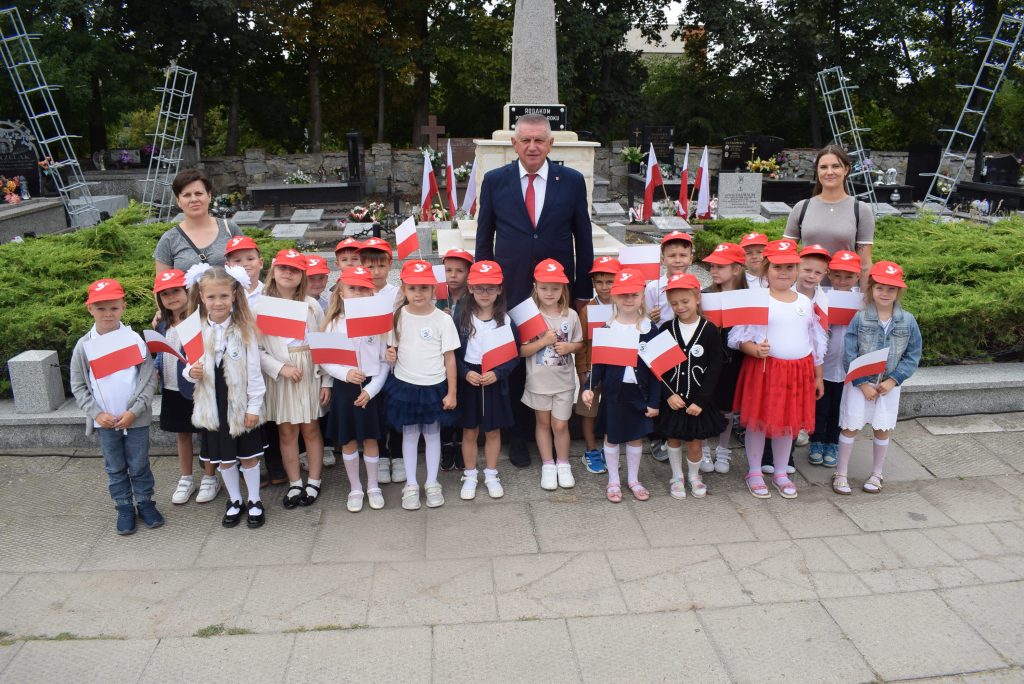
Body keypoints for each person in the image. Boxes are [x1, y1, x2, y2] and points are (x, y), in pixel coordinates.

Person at [476, 113, 594, 467]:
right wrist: (484, 285)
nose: (532, 146)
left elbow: (583, 235)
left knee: (551, 355)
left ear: (550, 144)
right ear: (514, 144)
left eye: (539, 140)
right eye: (525, 140)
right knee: (516, 356)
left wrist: (582, 290)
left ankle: (555, 425)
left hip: (555, 289)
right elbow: (484, 235)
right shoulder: (495, 181)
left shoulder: (570, 181)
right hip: (512, 287)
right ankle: (519, 435)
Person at [729, 239, 826, 500]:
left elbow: (815, 340)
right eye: (777, 267)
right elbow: (737, 337)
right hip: (765, 370)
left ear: (797, 269)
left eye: (789, 267)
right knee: (758, 423)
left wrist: (818, 375)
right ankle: (754, 471)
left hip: (797, 371)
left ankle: (781, 473)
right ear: (766, 269)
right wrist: (754, 349)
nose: (784, 272)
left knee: (787, 423)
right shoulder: (758, 300)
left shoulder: (805, 302)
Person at [70, 278, 161, 535]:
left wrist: (135, 411)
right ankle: (123, 507)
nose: (108, 314)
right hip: (105, 422)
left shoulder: (134, 340)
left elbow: (148, 379)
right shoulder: (84, 346)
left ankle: (145, 502)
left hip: (136, 419)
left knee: (139, 463)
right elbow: (78, 385)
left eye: (113, 307)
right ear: (90, 309)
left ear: (123, 307)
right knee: (114, 466)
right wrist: (96, 413)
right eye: (101, 308)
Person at [183, 266, 267, 528]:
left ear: (233, 295)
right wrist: (191, 372)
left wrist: (254, 407)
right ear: (201, 297)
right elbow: (188, 366)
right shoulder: (194, 329)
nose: (218, 302)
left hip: (239, 403)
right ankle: (234, 499)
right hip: (213, 404)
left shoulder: (245, 329)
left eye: (223, 296)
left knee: (248, 456)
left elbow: (254, 371)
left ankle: (254, 500)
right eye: (211, 297)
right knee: (225, 458)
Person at [832, 261, 921, 495]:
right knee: (850, 426)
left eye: (891, 289)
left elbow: (913, 355)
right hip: (859, 383)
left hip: (888, 385)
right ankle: (841, 473)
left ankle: (877, 473)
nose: (885, 293)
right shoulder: (860, 318)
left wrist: (893, 380)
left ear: (899, 292)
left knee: (882, 429)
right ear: (871, 288)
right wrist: (862, 383)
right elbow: (849, 353)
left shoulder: (908, 321)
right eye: (880, 287)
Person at [257, 249, 331, 509]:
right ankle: (295, 482)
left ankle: (314, 481)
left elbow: (323, 344)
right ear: (273, 271)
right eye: (283, 268)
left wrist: (326, 381)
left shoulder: (311, 305)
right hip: (281, 373)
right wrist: (279, 368)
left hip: (309, 368)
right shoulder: (261, 306)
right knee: (287, 430)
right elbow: (256, 348)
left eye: (294, 270)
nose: (288, 273)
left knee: (310, 427)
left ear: (302, 275)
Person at [385, 260, 460, 511]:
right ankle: (411, 484)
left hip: (434, 385)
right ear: (403, 290)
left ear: (433, 290)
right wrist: (390, 354)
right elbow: (392, 348)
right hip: (406, 385)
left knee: (432, 433)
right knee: (409, 435)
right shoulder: (397, 317)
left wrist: (452, 392)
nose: (418, 293)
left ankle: (432, 482)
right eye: (412, 288)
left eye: (424, 288)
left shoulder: (443, 319)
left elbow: (450, 358)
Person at [581, 268, 659, 503]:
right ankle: (613, 480)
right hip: (614, 394)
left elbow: (658, 370)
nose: (628, 299)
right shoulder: (607, 329)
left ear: (642, 296)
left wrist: (654, 401)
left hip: (639, 393)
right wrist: (588, 387)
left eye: (634, 294)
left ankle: (633, 479)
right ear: (614, 296)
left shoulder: (650, 329)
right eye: (623, 294)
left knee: (635, 437)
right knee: (612, 437)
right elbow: (598, 366)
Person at [321, 266, 389, 513]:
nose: (358, 293)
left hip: (370, 389)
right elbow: (325, 359)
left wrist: (372, 390)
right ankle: (356, 488)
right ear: (341, 293)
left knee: (371, 438)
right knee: (348, 441)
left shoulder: (378, 324)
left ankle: (373, 486)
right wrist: (345, 374)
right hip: (345, 388)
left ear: (371, 293)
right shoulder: (332, 324)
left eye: (363, 288)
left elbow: (384, 361)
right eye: (353, 288)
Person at [453, 261, 519, 500]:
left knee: (492, 430)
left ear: (499, 289)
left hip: (494, 379)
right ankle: (470, 474)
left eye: (490, 288)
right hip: (469, 379)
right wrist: (464, 372)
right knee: (469, 430)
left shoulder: (506, 320)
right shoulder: (461, 317)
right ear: (470, 288)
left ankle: (491, 474)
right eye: (479, 287)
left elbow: (514, 355)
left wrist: (498, 373)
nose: (484, 293)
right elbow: (451, 353)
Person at [153, 269, 219, 505]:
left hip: (196, 386)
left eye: (176, 291)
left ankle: (210, 477)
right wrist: (156, 368)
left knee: (206, 432)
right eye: (165, 294)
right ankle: (186, 477)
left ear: (188, 291)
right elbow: (161, 352)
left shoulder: (199, 320)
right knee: (182, 434)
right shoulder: (163, 324)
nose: (171, 297)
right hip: (171, 387)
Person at [657, 273, 725, 499]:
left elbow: (714, 369)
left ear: (697, 298)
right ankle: (677, 476)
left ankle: (694, 476)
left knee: (695, 443)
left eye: (685, 301)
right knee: (673, 439)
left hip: (697, 402)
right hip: (673, 400)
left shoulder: (709, 330)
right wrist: (668, 395)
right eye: (674, 303)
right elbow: (659, 368)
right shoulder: (667, 329)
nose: (680, 307)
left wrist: (701, 401)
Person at [519, 259, 584, 491]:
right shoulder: (530, 316)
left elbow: (580, 344)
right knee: (543, 423)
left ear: (563, 289)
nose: (549, 293)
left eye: (555, 288)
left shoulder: (571, 315)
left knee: (560, 424)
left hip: (564, 383)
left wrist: (569, 347)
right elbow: (521, 350)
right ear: (535, 287)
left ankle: (563, 463)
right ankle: (548, 465)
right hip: (538, 382)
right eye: (544, 287)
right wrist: (543, 342)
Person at [783, 145, 874, 281]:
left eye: (835, 166)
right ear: (817, 170)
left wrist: (864, 293)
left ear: (846, 169)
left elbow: (865, 265)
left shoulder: (861, 210)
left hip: (844, 290)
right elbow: (785, 255)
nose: (829, 172)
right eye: (824, 167)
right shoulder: (801, 208)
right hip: (806, 289)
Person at [358, 237, 405, 485]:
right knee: (375, 411)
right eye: (370, 266)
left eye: (381, 266)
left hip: (395, 360)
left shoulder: (397, 293)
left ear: (390, 265)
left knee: (394, 408)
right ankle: (382, 456)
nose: (375, 272)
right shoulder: (357, 292)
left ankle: (398, 455)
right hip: (369, 364)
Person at [811, 250, 862, 468]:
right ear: (829, 275)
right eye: (837, 276)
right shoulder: (822, 296)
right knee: (820, 407)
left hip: (847, 369)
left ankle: (833, 442)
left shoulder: (861, 300)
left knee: (839, 409)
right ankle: (816, 441)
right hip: (824, 366)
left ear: (857, 277)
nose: (842, 281)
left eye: (848, 277)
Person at [700, 242, 747, 474]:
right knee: (705, 402)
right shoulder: (706, 295)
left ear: (736, 269)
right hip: (708, 361)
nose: (713, 270)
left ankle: (723, 448)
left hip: (735, 360)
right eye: (712, 266)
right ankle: (704, 447)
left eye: (720, 266)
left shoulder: (748, 297)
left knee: (727, 406)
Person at [576, 256, 620, 475]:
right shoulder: (588, 310)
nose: (604, 287)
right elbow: (582, 344)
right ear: (593, 283)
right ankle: (591, 450)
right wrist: (582, 371)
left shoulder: (624, 305)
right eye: (599, 282)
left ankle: (608, 449)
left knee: (612, 409)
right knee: (589, 411)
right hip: (592, 370)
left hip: (616, 368)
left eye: (610, 281)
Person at [153, 168, 242, 274]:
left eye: (198, 193)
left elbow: (247, 271)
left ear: (209, 196)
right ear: (178, 201)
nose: (194, 199)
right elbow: (162, 282)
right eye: (187, 195)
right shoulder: (169, 239)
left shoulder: (230, 229)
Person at [645, 230, 694, 326]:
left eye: (683, 255)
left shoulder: (696, 288)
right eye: (672, 256)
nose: (677, 260)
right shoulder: (653, 289)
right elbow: (643, 319)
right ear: (663, 260)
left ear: (691, 259)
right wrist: (650, 319)